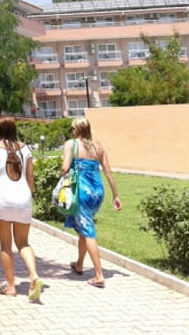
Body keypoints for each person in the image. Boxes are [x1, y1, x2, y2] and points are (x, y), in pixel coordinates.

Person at [0, 116, 43, 300]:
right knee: (23, 243)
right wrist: (29, 196)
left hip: (3, 200)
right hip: (23, 198)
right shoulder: (26, 149)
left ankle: (11, 287)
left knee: (5, 244)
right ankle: (34, 274)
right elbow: (30, 177)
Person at [61, 117, 122, 288]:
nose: (72, 131)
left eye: (73, 128)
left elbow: (65, 167)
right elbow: (108, 172)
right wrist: (115, 196)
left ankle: (99, 275)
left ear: (77, 130)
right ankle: (79, 264)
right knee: (84, 226)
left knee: (88, 231)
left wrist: (60, 181)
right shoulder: (99, 147)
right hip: (97, 193)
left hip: (81, 192)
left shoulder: (71, 144)